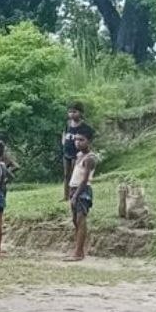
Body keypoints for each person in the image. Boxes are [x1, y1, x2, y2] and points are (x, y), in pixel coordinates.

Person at [65, 132, 97, 262]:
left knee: (80, 220)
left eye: (81, 139)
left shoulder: (90, 158)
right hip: (74, 188)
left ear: (88, 141)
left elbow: (85, 179)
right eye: (76, 140)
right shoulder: (78, 155)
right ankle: (78, 250)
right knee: (75, 220)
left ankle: (78, 252)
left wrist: (76, 195)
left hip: (82, 190)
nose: (77, 142)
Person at [60, 104, 94, 201]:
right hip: (66, 152)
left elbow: (90, 137)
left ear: (80, 113)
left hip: (77, 154)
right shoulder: (67, 124)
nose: (72, 114)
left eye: (74, 112)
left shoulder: (85, 127)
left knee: (75, 174)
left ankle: (74, 193)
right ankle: (66, 195)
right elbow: (64, 133)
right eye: (70, 112)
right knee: (66, 174)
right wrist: (64, 142)